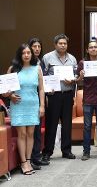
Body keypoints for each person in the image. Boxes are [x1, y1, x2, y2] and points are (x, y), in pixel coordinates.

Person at [3, 44, 45, 175]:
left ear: (32, 54)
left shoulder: (37, 68)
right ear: (19, 55)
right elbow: (5, 90)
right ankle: (23, 163)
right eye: (24, 53)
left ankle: (28, 160)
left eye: (28, 52)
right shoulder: (13, 69)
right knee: (22, 134)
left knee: (30, 134)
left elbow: (41, 89)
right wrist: (10, 95)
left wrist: (42, 105)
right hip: (18, 105)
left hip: (33, 104)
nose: (26, 55)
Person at [41, 34, 77, 162]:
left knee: (67, 124)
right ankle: (47, 152)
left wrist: (72, 81)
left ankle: (66, 150)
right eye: (60, 43)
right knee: (52, 123)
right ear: (55, 44)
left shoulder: (72, 59)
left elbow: (76, 76)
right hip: (53, 95)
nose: (63, 45)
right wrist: (46, 91)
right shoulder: (47, 57)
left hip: (67, 95)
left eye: (65, 43)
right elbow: (42, 77)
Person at [27, 38, 47, 168]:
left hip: (39, 99)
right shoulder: (23, 64)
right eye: (34, 46)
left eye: (39, 46)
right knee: (31, 132)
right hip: (28, 100)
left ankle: (37, 156)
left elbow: (43, 83)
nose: (37, 49)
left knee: (38, 130)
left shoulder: (41, 63)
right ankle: (31, 159)